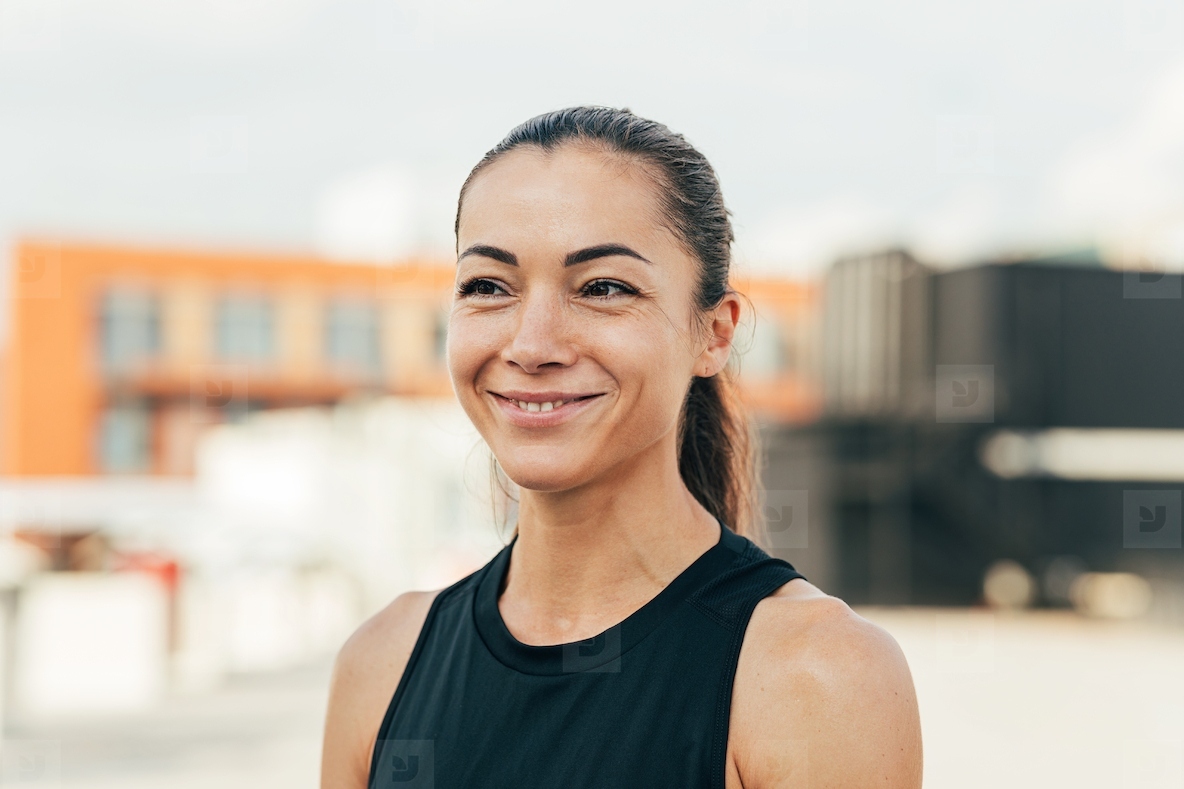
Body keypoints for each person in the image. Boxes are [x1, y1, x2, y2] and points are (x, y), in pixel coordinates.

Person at [321, 105, 923, 788]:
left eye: (603, 287)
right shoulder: (381, 664)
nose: (532, 344)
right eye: (488, 286)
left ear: (714, 334)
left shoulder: (818, 674)